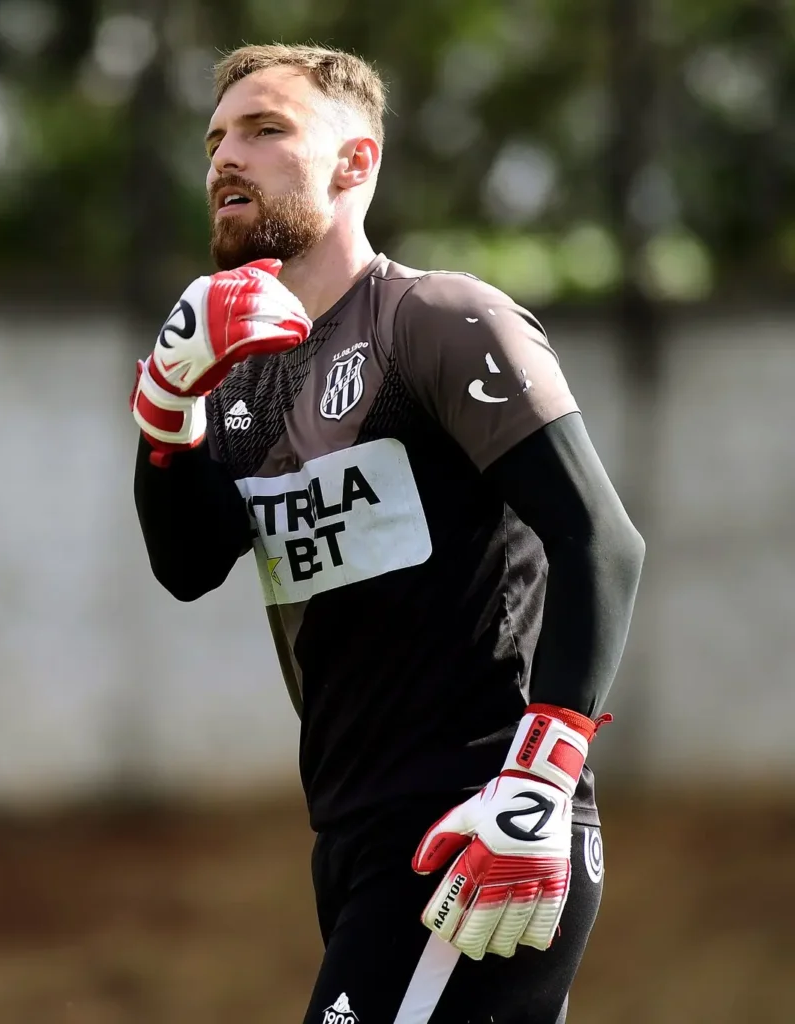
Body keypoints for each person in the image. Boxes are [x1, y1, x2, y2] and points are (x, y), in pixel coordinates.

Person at [130, 43, 646, 1023]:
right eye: (215, 139)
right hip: (358, 837)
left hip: (477, 819)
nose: (225, 158)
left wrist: (536, 787)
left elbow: (602, 542)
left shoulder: (441, 321)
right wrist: (169, 409)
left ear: (355, 164)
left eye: (267, 129)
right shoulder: (244, 383)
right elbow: (188, 563)